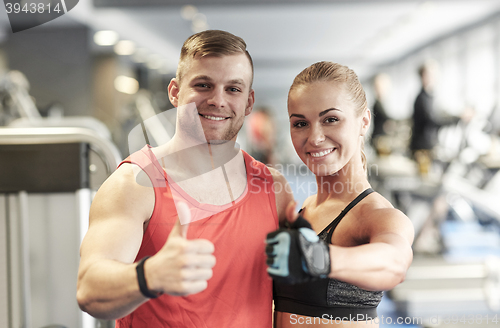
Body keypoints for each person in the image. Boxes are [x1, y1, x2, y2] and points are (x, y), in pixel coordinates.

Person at [76, 30, 293, 327]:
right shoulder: (135, 184)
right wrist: (151, 275)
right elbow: (90, 289)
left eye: (233, 89)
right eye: (203, 85)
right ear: (175, 92)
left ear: (249, 101)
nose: (218, 100)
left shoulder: (273, 187)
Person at [265, 61, 414, 327]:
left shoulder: (375, 214)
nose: (315, 137)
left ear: (363, 121)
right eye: (300, 123)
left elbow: (395, 262)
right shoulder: (302, 210)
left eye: (331, 119)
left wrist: (322, 259)